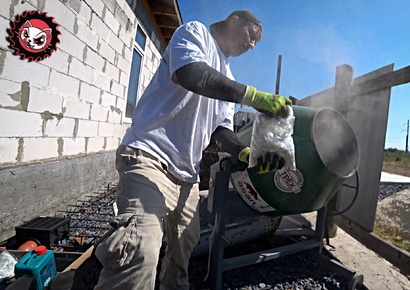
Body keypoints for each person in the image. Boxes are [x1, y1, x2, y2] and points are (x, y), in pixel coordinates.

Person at [94, 10, 292, 290]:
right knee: (139, 249)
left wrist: (244, 154)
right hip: (149, 156)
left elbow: (220, 131)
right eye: (251, 35)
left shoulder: (228, 74)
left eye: (256, 43)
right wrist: (253, 96)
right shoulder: (194, 33)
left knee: (182, 252)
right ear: (234, 20)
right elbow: (190, 74)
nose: (251, 45)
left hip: (187, 177)